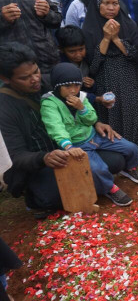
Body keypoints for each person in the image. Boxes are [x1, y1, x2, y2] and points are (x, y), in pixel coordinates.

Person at [0, 42, 126, 214]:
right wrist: (44, 158)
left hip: (72, 147)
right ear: (5, 78)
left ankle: (89, 182)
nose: (35, 79)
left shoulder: (48, 81)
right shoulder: (5, 108)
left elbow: (78, 99)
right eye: (25, 77)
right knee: (49, 195)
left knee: (116, 160)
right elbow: (15, 156)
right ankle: (36, 197)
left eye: (36, 71)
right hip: (42, 163)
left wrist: (94, 123)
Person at [40, 63, 138, 206]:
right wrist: (69, 146)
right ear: (57, 86)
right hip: (76, 145)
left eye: (76, 85)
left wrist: (81, 108)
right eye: (67, 86)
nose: (73, 90)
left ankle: (129, 167)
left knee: (131, 147)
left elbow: (92, 119)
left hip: (94, 136)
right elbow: (55, 127)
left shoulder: (82, 97)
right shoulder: (49, 103)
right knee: (96, 169)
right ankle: (109, 188)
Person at [83, 0, 138, 151]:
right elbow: (92, 66)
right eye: (106, 3)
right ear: (97, 5)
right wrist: (106, 38)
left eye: (115, 3)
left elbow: (137, 56)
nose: (111, 8)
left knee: (135, 117)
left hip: (131, 82)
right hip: (106, 81)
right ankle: (119, 158)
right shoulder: (89, 29)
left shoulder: (129, 25)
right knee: (112, 118)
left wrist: (115, 39)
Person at [56, 25, 115, 110]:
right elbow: (68, 94)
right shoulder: (61, 67)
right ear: (61, 50)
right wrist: (97, 98)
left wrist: (92, 84)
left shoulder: (87, 59)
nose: (78, 55)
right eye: (72, 51)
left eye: (81, 49)